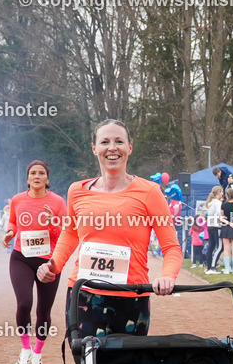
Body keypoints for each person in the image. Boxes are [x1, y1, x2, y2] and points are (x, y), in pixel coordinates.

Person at [36, 119, 180, 345]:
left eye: (119, 141)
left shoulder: (150, 192)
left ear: (129, 147)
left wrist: (167, 276)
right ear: (94, 148)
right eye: (104, 141)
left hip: (132, 296)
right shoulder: (77, 190)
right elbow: (71, 233)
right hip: (84, 295)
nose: (112, 147)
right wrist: (54, 265)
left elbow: (171, 246)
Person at [2, 160, 65, 364]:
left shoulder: (57, 202)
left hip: (49, 261)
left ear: (47, 179)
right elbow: (13, 222)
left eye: (41, 173)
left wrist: (52, 221)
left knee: (43, 310)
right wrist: (10, 233)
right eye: (32, 173)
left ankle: (38, 354)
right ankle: (25, 349)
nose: (36, 176)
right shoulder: (18, 199)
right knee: (24, 304)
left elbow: (66, 232)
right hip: (21, 257)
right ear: (28, 178)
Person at [217, 187, 233, 274]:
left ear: (226, 195)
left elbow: (222, 217)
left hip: (226, 227)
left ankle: (227, 269)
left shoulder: (223, 205)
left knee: (226, 249)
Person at [204, 186, 223, 274]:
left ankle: (209, 267)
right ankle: (213, 267)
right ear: (219, 192)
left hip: (210, 226)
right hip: (216, 226)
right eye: (222, 192)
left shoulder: (210, 203)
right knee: (220, 247)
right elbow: (219, 214)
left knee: (211, 247)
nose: (222, 194)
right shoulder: (217, 203)